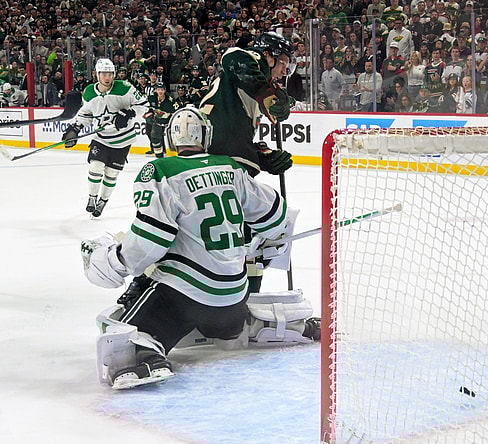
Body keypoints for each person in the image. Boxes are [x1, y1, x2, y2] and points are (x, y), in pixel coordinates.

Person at [81, 107, 317, 389]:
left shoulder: (161, 171)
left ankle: (145, 354)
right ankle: (275, 324)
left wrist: (114, 260)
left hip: (185, 299)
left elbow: (150, 240)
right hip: (234, 297)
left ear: (171, 138)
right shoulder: (230, 167)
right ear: (206, 135)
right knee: (230, 318)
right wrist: (256, 245)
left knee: (130, 327)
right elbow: (277, 218)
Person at [199, 32, 294, 178]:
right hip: (215, 159)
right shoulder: (252, 59)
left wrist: (260, 156)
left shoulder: (253, 89)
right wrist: (266, 92)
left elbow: (234, 137)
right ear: (267, 55)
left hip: (218, 155)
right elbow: (233, 57)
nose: (284, 72)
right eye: (283, 63)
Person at [62, 58, 147, 218]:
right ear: (97, 74)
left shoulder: (125, 88)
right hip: (101, 138)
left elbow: (143, 105)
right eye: (103, 74)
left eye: (110, 74)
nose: (107, 77)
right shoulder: (89, 92)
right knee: (95, 167)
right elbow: (86, 114)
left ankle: (103, 200)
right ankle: (92, 197)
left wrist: (129, 113)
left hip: (123, 141)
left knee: (111, 174)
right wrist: (76, 128)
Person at [146, 82, 178, 158]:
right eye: (158, 89)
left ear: (165, 90)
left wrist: (168, 116)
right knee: (154, 137)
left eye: (162, 89)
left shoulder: (170, 100)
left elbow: (177, 112)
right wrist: (150, 112)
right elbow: (148, 107)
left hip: (169, 123)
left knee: (173, 139)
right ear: (155, 90)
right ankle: (159, 155)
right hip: (157, 122)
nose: (160, 91)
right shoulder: (151, 97)